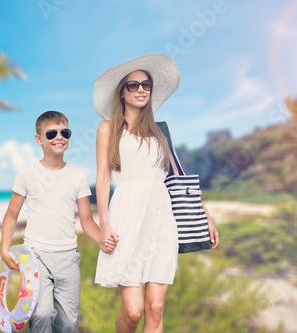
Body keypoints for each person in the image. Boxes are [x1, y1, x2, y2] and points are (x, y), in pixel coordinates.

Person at [92, 54, 219, 333]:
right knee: (134, 313)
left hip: (161, 221)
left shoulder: (161, 132)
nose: (140, 89)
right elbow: (102, 178)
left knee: (156, 308)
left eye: (146, 84)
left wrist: (206, 216)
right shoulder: (108, 129)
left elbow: (178, 179)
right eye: (133, 85)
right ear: (121, 93)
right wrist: (104, 224)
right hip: (125, 219)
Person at [0, 110, 117, 333]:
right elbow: (11, 214)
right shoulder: (27, 173)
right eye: (52, 133)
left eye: (65, 132)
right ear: (39, 139)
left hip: (68, 257)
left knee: (69, 324)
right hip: (36, 256)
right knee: (41, 313)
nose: (59, 137)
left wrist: (101, 236)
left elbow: (86, 220)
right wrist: (5, 249)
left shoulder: (78, 176)